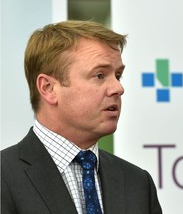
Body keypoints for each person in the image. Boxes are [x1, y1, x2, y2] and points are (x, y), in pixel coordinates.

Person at [1, 20, 162, 214]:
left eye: (117, 76)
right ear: (48, 88)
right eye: (100, 75)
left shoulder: (138, 183)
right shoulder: (4, 176)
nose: (118, 88)